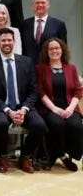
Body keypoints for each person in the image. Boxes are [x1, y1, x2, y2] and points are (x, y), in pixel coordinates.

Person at [0, 27, 47, 173]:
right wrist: (8, 111)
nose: (7, 43)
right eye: (3, 40)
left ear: (14, 41)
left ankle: (25, 156)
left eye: (9, 40)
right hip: (0, 107)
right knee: (0, 123)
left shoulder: (26, 62)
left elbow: (33, 91)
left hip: (22, 106)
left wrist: (23, 110)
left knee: (40, 125)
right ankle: (3, 156)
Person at [35, 38, 82, 171]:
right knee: (57, 124)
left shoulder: (71, 68)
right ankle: (62, 156)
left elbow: (78, 91)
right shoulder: (40, 68)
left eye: (57, 48)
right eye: (51, 49)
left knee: (76, 125)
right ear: (46, 51)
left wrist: (70, 108)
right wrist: (54, 108)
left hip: (69, 107)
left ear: (62, 50)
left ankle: (69, 154)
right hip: (49, 108)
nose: (54, 51)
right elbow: (40, 91)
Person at [21, 0, 67, 64]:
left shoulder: (58, 24)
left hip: (50, 66)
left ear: (48, 5)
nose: (40, 5)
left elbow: (63, 48)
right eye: (37, 3)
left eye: (43, 3)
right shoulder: (24, 24)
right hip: (28, 67)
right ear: (32, 6)